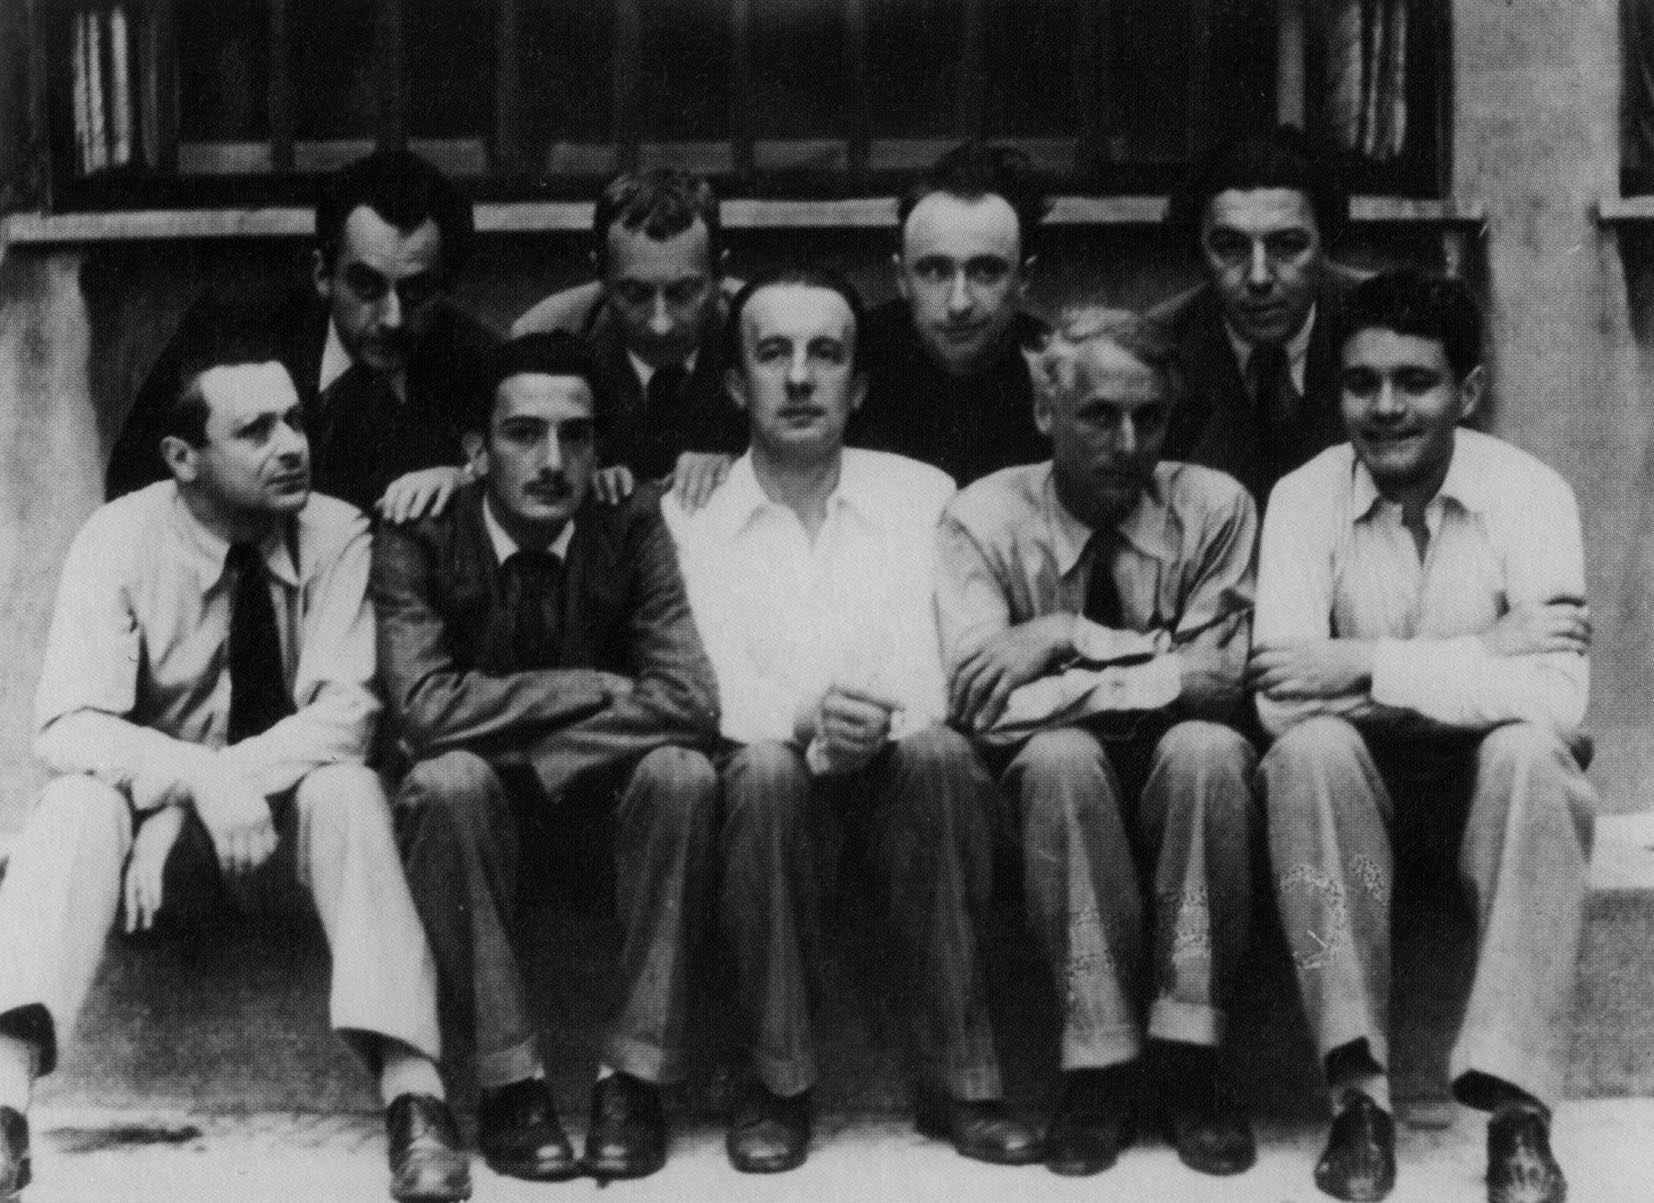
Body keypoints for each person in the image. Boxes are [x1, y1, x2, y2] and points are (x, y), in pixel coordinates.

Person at [0, 310, 468, 1203]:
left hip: (282, 840)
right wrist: (194, 782)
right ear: (183, 458)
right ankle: (2, 1103)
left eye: (294, 420)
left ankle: (416, 1098)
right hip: (148, 864)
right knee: (71, 804)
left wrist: (209, 788)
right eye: (255, 430)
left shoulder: (337, 533)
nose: (291, 445)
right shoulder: (118, 539)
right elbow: (67, 724)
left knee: (347, 788)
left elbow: (347, 716)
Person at [662, 266, 1040, 1174]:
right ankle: (776, 1082)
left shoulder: (923, 494)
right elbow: (704, 680)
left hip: (899, 765)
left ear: (859, 384)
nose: (800, 378)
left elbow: (946, 654)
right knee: (764, 769)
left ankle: (961, 1079)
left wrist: (875, 721)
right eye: (773, 354)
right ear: (734, 383)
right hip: (762, 783)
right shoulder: (690, 513)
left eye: (825, 355)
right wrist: (806, 718)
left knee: (942, 754)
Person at [1252, 269, 1590, 1203]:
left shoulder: (1532, 494)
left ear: (1468, 392)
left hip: (1486, 796)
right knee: (1309, 753)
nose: (1386, 408)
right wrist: (1485, 655)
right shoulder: (1304, 498)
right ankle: (1358, 1101)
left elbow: (1556, 699)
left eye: (1416, 382)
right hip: (1355, 806)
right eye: (1362, 384)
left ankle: (1519, 1110)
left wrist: (1361, 662)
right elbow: (1280, 702)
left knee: (1531, 755)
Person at [371, 332, 721, 1182]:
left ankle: (633, 1078)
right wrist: (588, 686)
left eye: (576, 436)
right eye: (524, 433)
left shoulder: (628, 519)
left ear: (600, 450)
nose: (553, 460)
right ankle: (510, 1085)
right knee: (446, 780)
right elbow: (423, 713)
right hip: (472, 829)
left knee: (682, 773)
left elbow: (689, 697)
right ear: (475, 450)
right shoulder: (421, 532)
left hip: (604, 812)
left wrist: (543, 750)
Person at [935, 308, 1260, 1179]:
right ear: (1045, 411)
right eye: (1098, 416)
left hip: (1180, 777)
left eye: (1149, 417)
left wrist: (1066, 636)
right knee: (1061, 756)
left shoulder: (1215, 508)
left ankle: (1192, 1058)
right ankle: (1100, 1066)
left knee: (1207, 751)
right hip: (1046, 798)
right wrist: (1157, 667)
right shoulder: (982, 517)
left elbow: (1221, 684)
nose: (1127, 444)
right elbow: (985, 707)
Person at [106, 148, 496, 522]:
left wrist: (469, 483)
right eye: (367, 286)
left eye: (416, 292)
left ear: (446, 288)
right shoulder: (230, 335)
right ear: (323, 275)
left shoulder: (479, 364)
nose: (393, 319)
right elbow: (132, 491)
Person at [512, 168, 747, 509]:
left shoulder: (764, 333)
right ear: (600, 274)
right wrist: (575, 475)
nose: (660, 324)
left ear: (719, 274)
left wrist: (740, 468)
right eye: (635, 294)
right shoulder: (543, 340)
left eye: (683, 292)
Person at [1155, 125, 1362, 505]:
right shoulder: (1160, 349)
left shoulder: (1386, 327)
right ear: (1199, 251)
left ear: (1326, 244)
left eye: (1288, 245)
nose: (1259, 277)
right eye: (1230, 247)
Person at [850, 141, 1051, 486]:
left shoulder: (1055, 373)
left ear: (1024, 278)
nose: (959, 304)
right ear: (901, 277)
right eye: (934, 271)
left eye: (986, 271)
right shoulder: (850, 360)